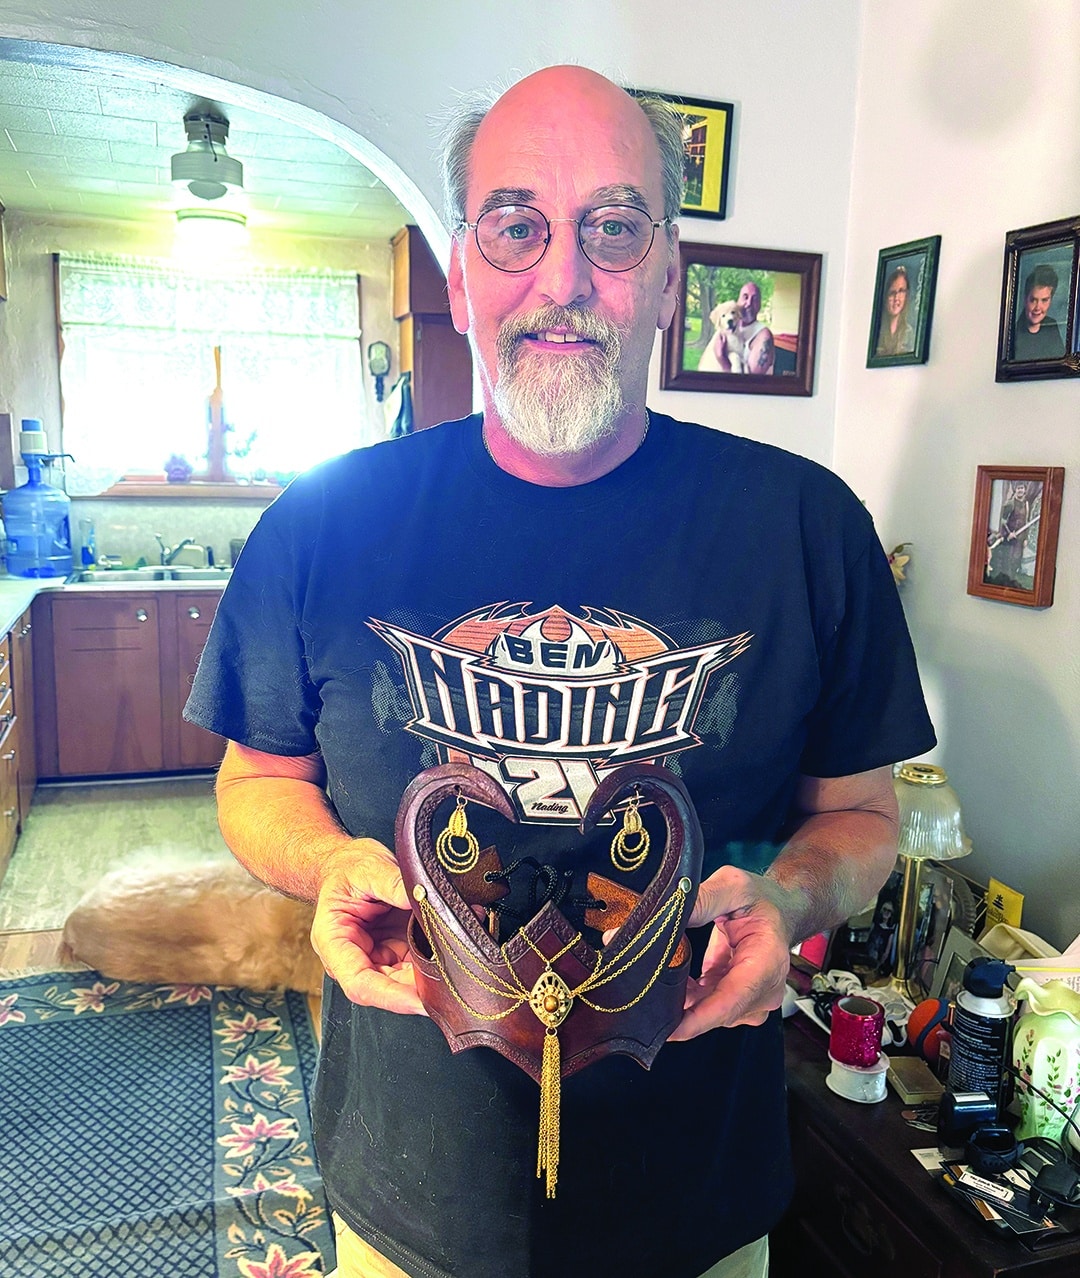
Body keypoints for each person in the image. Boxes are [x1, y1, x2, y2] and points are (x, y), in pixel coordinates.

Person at [186, 65, 935, 1278]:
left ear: (671, 279)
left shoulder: (806, 527)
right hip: (409, 1194)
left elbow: (862, 817)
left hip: (695, 1199)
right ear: (462, 273)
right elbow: (256, 779)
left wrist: (792, 899)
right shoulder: (323, 523)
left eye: (615, 228)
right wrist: (328, 865)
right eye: (517, 225)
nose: (564, 278)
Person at [987, 479, 1040, 588]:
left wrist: (1025, 538)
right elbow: (1003, 522)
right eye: (1018, 488)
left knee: (1016, 559)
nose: (1020, 490)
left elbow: (1026, 521)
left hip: (1019, 538)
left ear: (1025, 490)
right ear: (1015, 489)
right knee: (1008, 560)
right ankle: (1005, 583)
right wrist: (1009, 533)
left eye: (1022, 488)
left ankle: (1012, 582)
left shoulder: (1026, 504)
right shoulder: (1010, 504)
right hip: (1009, 538)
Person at [1013, 264, 1064, 360]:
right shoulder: (1014, 332)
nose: (1038, 307)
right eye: (1033, 300)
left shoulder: (1051, 327)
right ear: (1025, 299)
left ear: (1051, 300)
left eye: (1044, 300)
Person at [875, 264, 915, 357]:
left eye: (901, 291)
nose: (896, 298)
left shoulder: (909, 334)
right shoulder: (877, 332)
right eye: (892, 292)